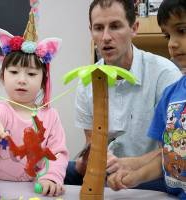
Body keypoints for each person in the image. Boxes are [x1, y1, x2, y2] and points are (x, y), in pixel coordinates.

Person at [64, 0, 182, 188]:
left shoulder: (165, 75)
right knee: (54, 173)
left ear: (134, 27)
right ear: (91, 31)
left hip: (152, 174)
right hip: (107, 172)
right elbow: (92, 142)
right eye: (98, 28)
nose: (106, 37)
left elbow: (177, 150)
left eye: (115, 26)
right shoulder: (87, 81)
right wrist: (89, 160)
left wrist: (131, 165)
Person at [0, 14, 69, 197]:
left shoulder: (51, 116)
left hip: (31, 192)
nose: (22, 80)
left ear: (42, 81)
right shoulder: (0, 110)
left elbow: (57, 153)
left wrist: (51, 177)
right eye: (14, 72)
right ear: (3, 76)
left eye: (31, 74)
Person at [107, 0, 186, 198]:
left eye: (182, 31)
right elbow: (167, 156)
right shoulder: (171, 94)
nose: (172, 43)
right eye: (168, 35)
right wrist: (134, 178)